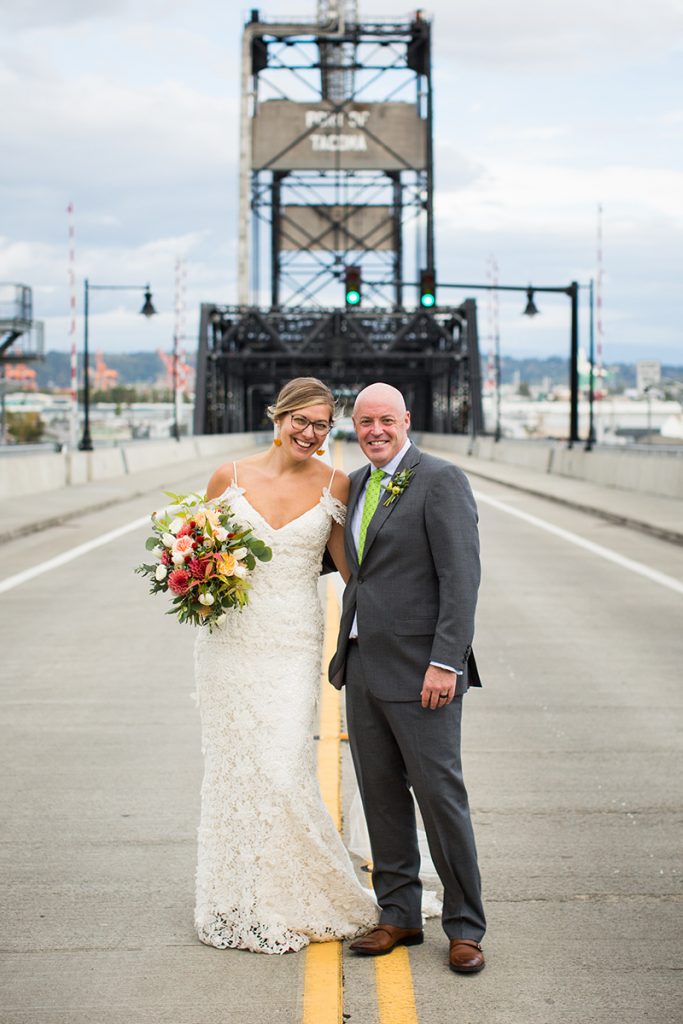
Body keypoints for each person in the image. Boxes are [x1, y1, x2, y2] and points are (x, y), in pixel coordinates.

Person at [194, 377, 377, 955]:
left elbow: (353, 571)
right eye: (302, 419)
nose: (311, 433)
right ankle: (240, 893)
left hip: (295, 642)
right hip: (231, 642)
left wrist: (392, 624)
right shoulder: (230, 477)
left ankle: (298, 889)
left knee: (281, 764)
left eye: (323, 425)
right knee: (237, 767)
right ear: (279, 415)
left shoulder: (336, 483)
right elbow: (198, 552)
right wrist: (193, 578)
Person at [328, 382, 486, 974]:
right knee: (381, 796)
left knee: (441, 798)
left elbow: (461, 578)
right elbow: (357, 570)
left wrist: (446, 662)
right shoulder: (361, 483)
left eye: (385, 421)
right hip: (364, 663)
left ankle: (466, 927)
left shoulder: (440, 480)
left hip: (425, 671)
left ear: (406, 420)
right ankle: (398, 914)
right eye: (365, 421)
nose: (375, 431)